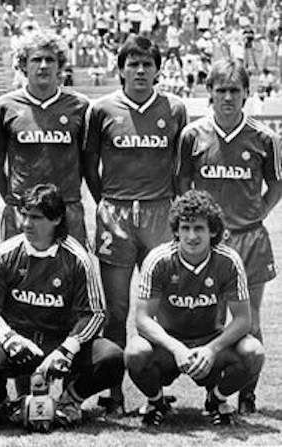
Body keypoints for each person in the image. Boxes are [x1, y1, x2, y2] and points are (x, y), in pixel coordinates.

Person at [83, 35, 187, 413]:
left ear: (159, 69)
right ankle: (113, 392)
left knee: (162, 306)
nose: (140, 70)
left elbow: (179, 166)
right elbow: (89, 164)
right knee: (117, 309)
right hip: (117, 214)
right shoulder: (102, 109)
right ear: (121, 69)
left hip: (160, 212)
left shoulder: (174, 108)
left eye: (147, 63)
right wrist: (107, 203)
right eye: (133, 63)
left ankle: (155, 388)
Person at [177, 58, 282, 413]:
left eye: (234, 90)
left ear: (246, 94)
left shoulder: (264, 138)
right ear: (209, 93)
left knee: (249, 318)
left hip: (250, 239)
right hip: (210, 243)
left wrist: (259, 213)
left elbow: (276, 184)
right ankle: (216, 391)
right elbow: (182, 184)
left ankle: (247, 395)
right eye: (220, 90)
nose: (227, 97)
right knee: (214, 317)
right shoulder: (192, 135)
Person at [0, 184, 124, 427]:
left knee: (112, 358)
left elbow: (94, 314)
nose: (26, 224)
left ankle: (69, 402)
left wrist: (68, 348)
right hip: (19, 343)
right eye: (25, 215)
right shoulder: (4, 254)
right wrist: (8, 338)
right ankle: (5, 405)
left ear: (56, 219)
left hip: (59, 343)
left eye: (36, 218)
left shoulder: (77, 258)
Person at [125, 190, 265, 426]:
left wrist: (211, 349)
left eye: (199, 228)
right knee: (135, 352)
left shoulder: (228, 261)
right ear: (176, 231)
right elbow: (142, 319)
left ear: (212, 230)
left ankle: (216, 399)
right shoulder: (158, 260)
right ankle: (156, 401)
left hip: (211, 341)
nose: (191, 236)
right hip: (168, 344)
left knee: (254, 352)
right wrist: (177, 348)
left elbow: (243, 320)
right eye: (185, 228)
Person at [0, 30, 89, 245]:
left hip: (66, 208)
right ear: (23, 65)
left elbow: (87, 160)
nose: (43, 65)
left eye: (50, 60)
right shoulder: (5, 106)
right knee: (19, 275)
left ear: (60, 65)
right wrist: (12, 198)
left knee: (70, 274)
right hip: (22, 209)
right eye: (36, 59)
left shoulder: (79, 106)